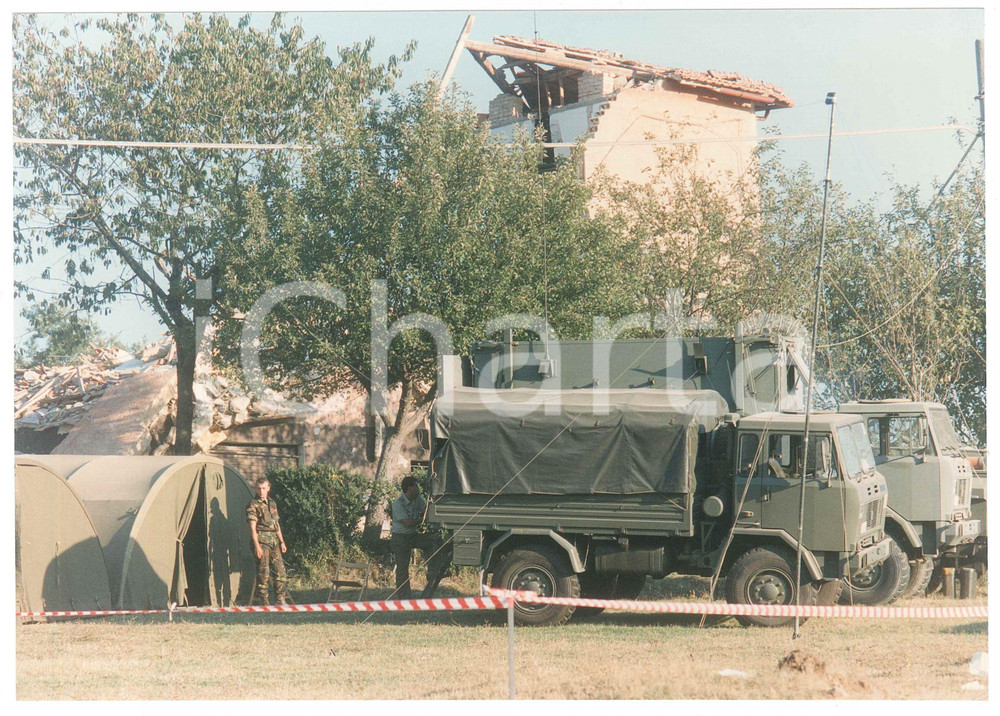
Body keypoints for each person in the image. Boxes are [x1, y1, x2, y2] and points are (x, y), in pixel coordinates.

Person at [247, 477, 289, 606]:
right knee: (263, 572)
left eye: (264, 488)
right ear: (255, 489)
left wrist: (282, 542)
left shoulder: (272, 503)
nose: (261, 491)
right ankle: (263, 600)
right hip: (261, 541)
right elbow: (252, 528)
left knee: (280, 571)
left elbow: (276, 525)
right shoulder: (253, 504)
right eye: (259, 488)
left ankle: (280, 599)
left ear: (268, 489)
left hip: (274, 541)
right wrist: (257, 546)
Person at [390, 475, 429, 599]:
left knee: (433, 541)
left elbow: (427, 511)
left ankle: (433, 570)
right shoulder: (398, 503)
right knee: (402, 568)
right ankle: (403, 597)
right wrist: (422, 520)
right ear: (409, 488)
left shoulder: (418, 498)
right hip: (400, 537)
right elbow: (407, 523)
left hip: (412, 535)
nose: (418, 488)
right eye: (416, 486)